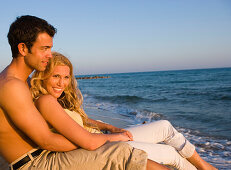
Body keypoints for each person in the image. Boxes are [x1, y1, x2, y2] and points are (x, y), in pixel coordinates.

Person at [0, 15, 168, 170]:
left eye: (50, 48)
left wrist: (94, 136)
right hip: (37, 164)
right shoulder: (11, 86)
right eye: (44, 49)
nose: (50, 55)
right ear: (23, 48)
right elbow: (47, 140)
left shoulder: (20, 81)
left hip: (42, 156)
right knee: (119, 152)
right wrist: (95, 140)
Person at [31, 52, 217, 170]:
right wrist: (115, 137)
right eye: (56, 76)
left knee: (165, 126)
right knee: (170, 154)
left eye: (65, 77)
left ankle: (204, 166)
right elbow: (83, 141)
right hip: (102, 148)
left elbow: (85, 120)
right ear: (43, 75)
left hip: (102, 137)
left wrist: (111, 127)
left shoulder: (58, 100)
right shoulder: (45, 101)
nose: (62, 83)